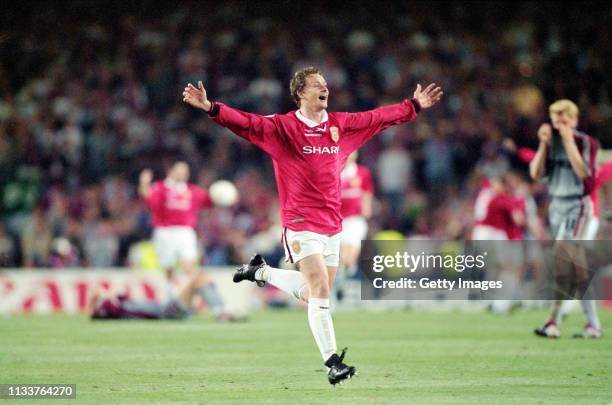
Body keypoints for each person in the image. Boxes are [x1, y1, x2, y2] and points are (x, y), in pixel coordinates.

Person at [182, 66, 443, 384]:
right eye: (318, 85)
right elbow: (247, 123)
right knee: (320, 289)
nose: (326, 89)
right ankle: (332, 363)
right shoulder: (283, 128)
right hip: (300, 223)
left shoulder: (340, 126)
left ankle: (261, 272)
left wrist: (412, 106)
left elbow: (377, 118)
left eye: (326, 84)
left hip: (333, 224)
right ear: (301, 93)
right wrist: (212, 108)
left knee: (312, 292)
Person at [529, 99, 602, 339]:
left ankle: (553, 322)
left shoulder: (585, 142)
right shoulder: (551, 143)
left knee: (562, 259)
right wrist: (543, 144)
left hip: (577, 206)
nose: (559, 126)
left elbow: (586, 176)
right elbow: (536, 174)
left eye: (564, 121)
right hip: (556, 206)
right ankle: (592, 325)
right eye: (556, 121)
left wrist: (569, 141)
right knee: (577, 268)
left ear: (574, 120)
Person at [138, 161, 236, 322]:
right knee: (169, 269)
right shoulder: (161, 188)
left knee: (189, 267)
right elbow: (147, 197)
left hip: (185, 232)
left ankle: (188, 302)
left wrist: (227, 196)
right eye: (180, 170)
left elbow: (212, 200)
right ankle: (174, 301)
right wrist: (143, 183)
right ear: (171, 171)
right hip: (165, 232)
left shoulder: (192, 191)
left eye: (186, 171)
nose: (183, 174)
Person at [336, 151, 374, 302]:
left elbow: (367, 192)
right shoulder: (334, 170)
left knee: (350, 255)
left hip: (355, 220)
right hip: (337, 220)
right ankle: (340, 281)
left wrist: (367, 207)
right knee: (340, 257)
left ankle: (342, 278)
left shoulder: (362, 172)